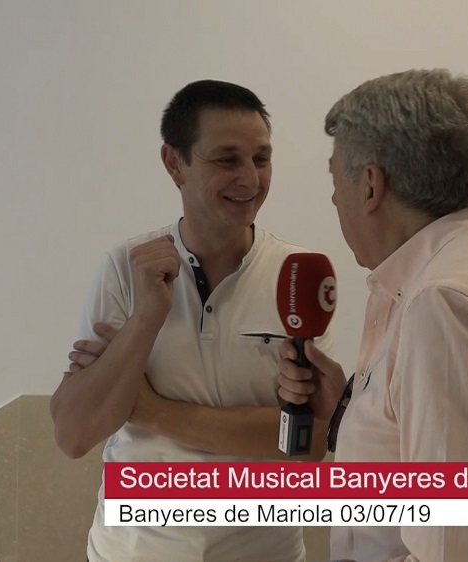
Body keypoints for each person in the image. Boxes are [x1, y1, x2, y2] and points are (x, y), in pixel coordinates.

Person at [277, 68, 468, 561]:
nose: (334, 197)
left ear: (371, 186)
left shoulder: (441, 305)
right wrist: (351, 412)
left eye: (335, 178)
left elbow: (455, 549)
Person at [50, 79, 333, 562]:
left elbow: (308, 444)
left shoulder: (298, 273)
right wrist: (147, 317)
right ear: (174, 163)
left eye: (261, 159)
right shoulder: (125, 269)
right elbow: (74, 435)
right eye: (227, 160)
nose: (250, 179)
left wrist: (150, 410)